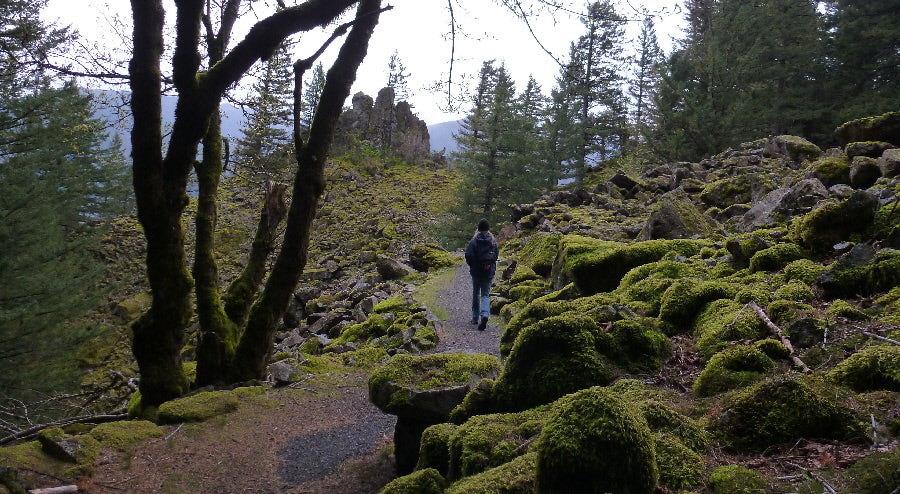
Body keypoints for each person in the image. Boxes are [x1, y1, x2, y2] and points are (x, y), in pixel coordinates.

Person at [465, 218, 499, 330]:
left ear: (478, 229)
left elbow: (468, 255)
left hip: (476, 272)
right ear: (488, 229)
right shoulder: (492, 241)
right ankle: (485, 314)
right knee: (485, 294)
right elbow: (495, 257)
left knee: (476, 293)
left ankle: (475, 318)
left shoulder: (474, 241)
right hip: (488, 272)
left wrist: (473, 265)